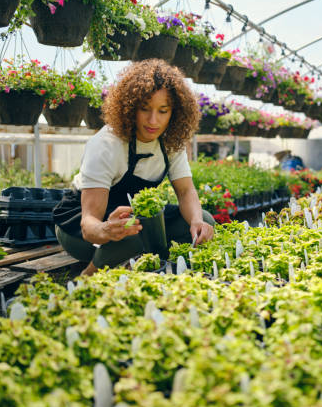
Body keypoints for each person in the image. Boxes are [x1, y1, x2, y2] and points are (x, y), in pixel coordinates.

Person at [53, 59, 215, 275]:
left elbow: (185, 191)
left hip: (132, 221)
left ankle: (144, 262)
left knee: (204, 220)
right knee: (138, 230)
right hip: (79, 230)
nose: (153, 120)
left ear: (175, 112)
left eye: (163, 111)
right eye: (144, 109)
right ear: (130, 107)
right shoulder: (107, 144)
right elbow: (88, 225)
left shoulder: (171, 143)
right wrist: (106, 229)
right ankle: (89, 274)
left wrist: (196, 221)